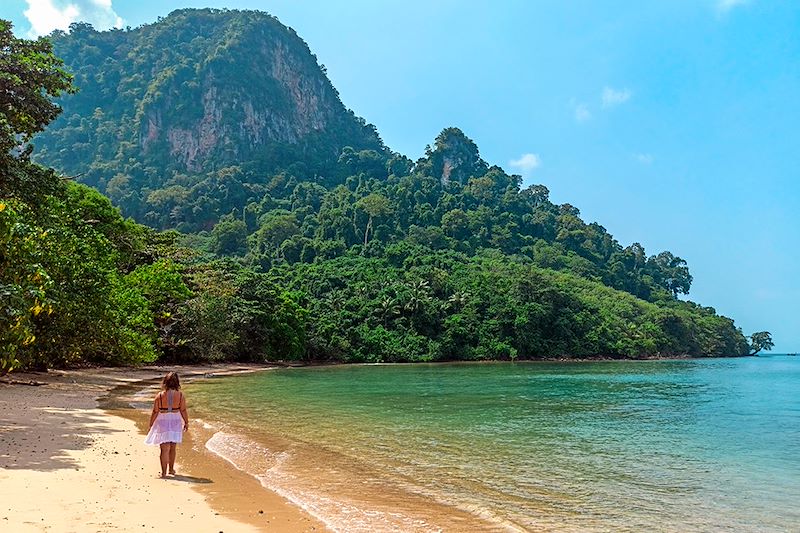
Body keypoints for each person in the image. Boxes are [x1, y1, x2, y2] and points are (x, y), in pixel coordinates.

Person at [144, 372, 189, 478]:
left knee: (164, 449)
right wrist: (186, 422)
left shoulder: (159, 396)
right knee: (173, 448)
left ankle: (164, 473)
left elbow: (155, 411)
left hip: (162, 420)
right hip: (175, 420)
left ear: (165, 382)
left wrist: (151, 424)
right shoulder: (180, 395)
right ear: (177, 382)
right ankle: (171, 469)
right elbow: (183, 410)